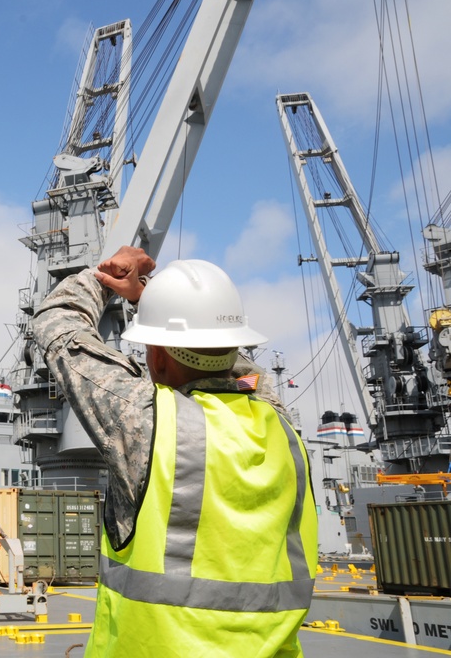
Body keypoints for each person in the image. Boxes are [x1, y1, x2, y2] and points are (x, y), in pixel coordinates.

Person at [31, 247, 317, 657]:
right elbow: (243, 368)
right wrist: (154, 301)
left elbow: (56, 325)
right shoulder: (281, 424)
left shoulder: (147, 420)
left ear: (159, 356)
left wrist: (104, 279)